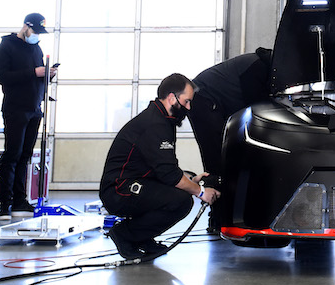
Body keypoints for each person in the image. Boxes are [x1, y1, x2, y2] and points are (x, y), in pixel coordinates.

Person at [99, 74, 219, 262]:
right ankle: (125, 235)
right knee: (180, 201)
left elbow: (165, 166)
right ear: (172, 98)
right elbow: (169, 174)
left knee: (181, 188)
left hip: (135, 182)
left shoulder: (164, 120)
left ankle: (142, 237)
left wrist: (191, 179)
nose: (189, 107)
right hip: (119, 190)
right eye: (186, 101)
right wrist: (201, 191)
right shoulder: (155, 124)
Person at [0, 11, 57, 220]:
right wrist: (34, 73)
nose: (36, 35)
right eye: (35, 31)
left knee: (25, 156)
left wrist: (48, 75)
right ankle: (5, 202)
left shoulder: (36, 48)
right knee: (12, 154)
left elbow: (37, 76)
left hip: (34, 108)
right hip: (15, 108)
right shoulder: (6, 47)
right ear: (25, 27)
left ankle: (20, 200)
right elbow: (2, 77)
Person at [188, 48, 273, 184]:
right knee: (216, 154)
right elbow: (257, 109)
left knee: (226, 152)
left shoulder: (258, 64)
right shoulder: (256, 67)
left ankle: (224, 190)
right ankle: (217, 195)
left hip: (213, 101)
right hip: (203, 98)